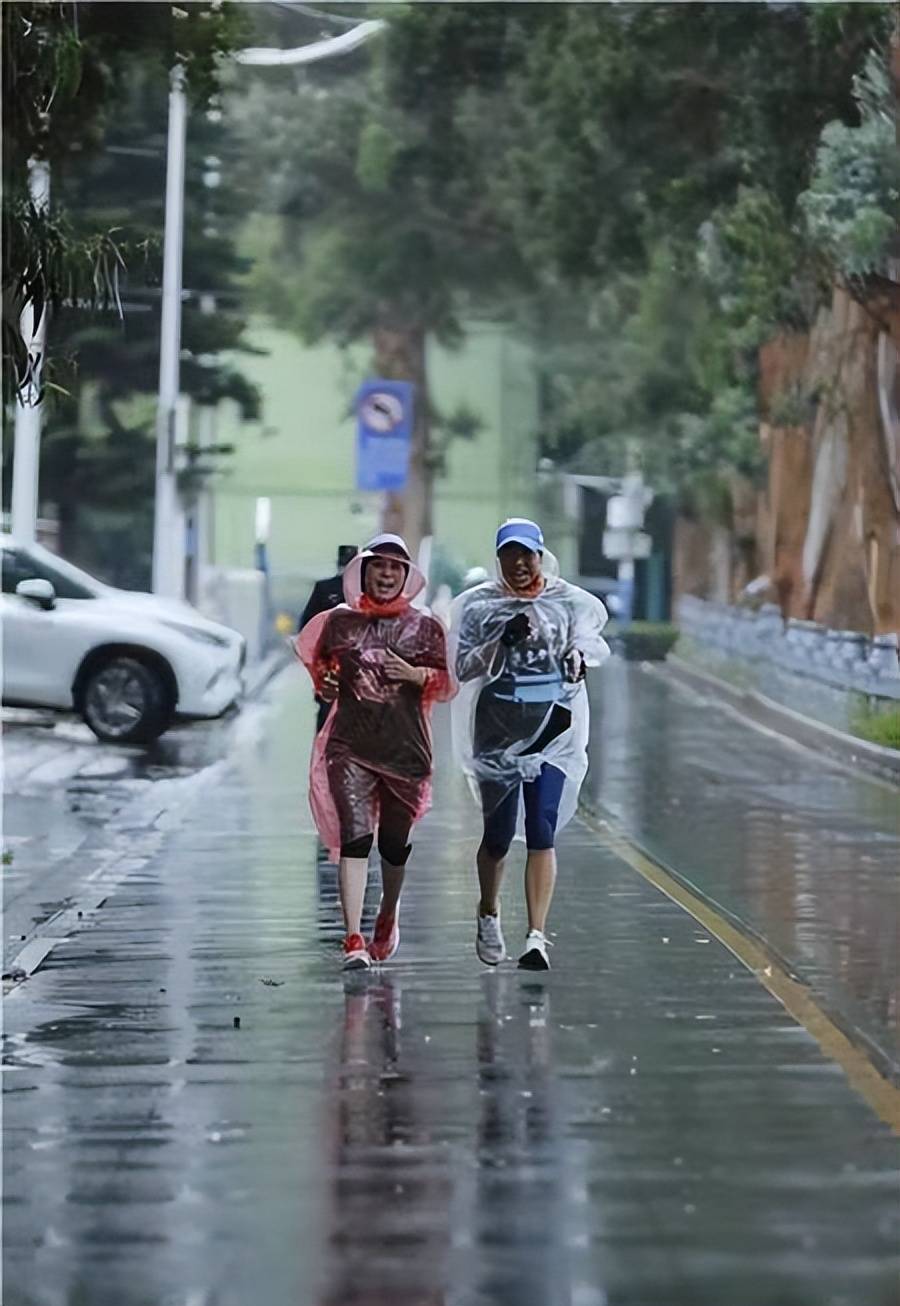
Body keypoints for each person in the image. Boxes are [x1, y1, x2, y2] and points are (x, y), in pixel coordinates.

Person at [449, 518, 610, 971]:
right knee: (498, 837)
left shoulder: (567, 601)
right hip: (499, 730)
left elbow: (589, 642)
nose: (519, 563)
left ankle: (537, 935)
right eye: (509, 554)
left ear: (541, 556)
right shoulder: (481, 608)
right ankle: (488, 910)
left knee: (542, 828)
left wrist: (579, 658)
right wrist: (501, 644)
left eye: (527, 554)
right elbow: (462, 668)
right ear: (497, 558)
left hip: (553, 729)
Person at [294, 534, 454, 970]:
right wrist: (325, 682)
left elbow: (446, 683)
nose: (386, 573)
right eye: (378, 565)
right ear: (363, 572)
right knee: (356, 839)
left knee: (394, 847)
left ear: (405, 576)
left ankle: (388, 912)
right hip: (350, 747)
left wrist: (416, 673)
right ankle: (353, 938)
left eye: (394, 567)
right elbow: (320, 667)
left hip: (405, 750)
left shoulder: (424, 627)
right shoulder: (338, 622)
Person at [299, 545, 358, 733]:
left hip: (358, 667)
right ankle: (324, 757)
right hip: (330, 664)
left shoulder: (365, 590)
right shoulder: (325, 588)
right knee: (327, 713)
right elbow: (307, 625)